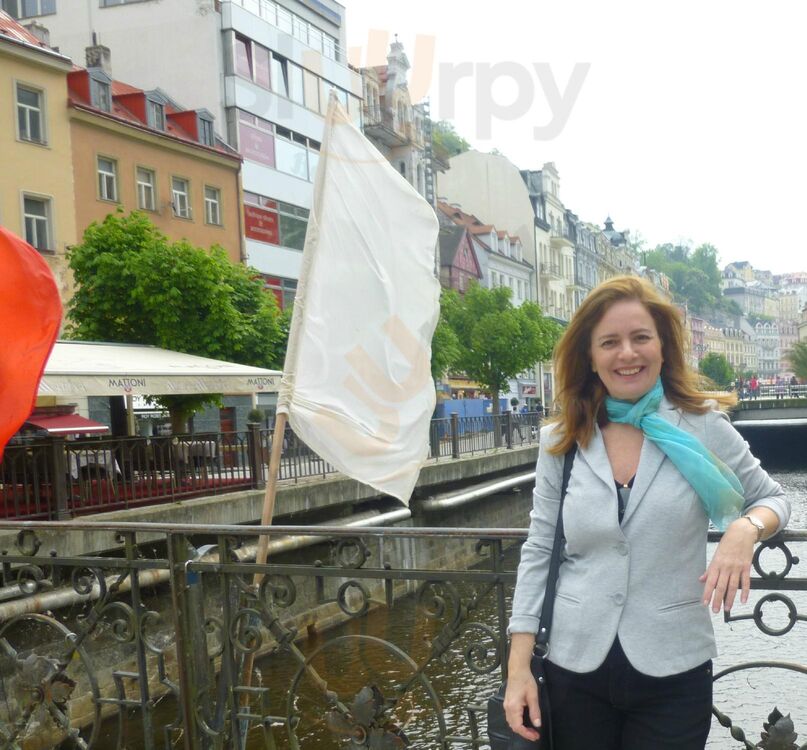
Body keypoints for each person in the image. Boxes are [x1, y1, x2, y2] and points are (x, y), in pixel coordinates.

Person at [504, 276, 790, 750]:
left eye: (640, 337)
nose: (627, 353)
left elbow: (773, 498)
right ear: (590, 356)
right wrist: (518, 670)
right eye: (609, 342)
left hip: (673, 669)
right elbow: (538, 549)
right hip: (573, 666)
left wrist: (745, 527)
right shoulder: (564, 438)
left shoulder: (701, 425)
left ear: (662, 347)